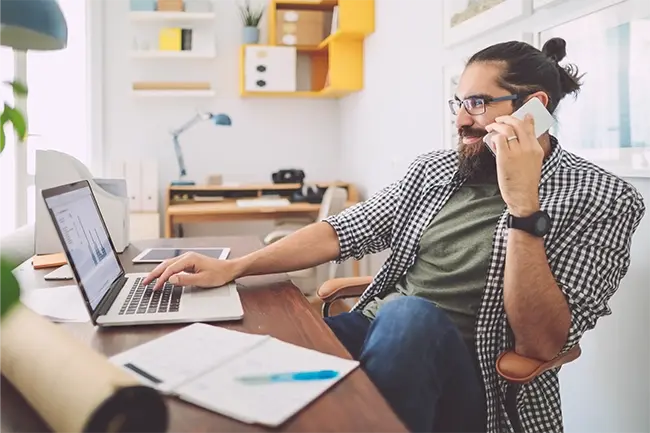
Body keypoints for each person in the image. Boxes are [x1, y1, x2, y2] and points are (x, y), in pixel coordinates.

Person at [143, 38, 645, 433]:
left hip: (476, 381)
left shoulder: (603, 197)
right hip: (376, 336)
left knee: (410, 314)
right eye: (458, 101)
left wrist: (522, 208)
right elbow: (342, 231)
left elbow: (542, 341)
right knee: (251, 342)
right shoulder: (435, 170)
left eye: (476, 103)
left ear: (532, 107)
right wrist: (234, 267)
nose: (460, 118)